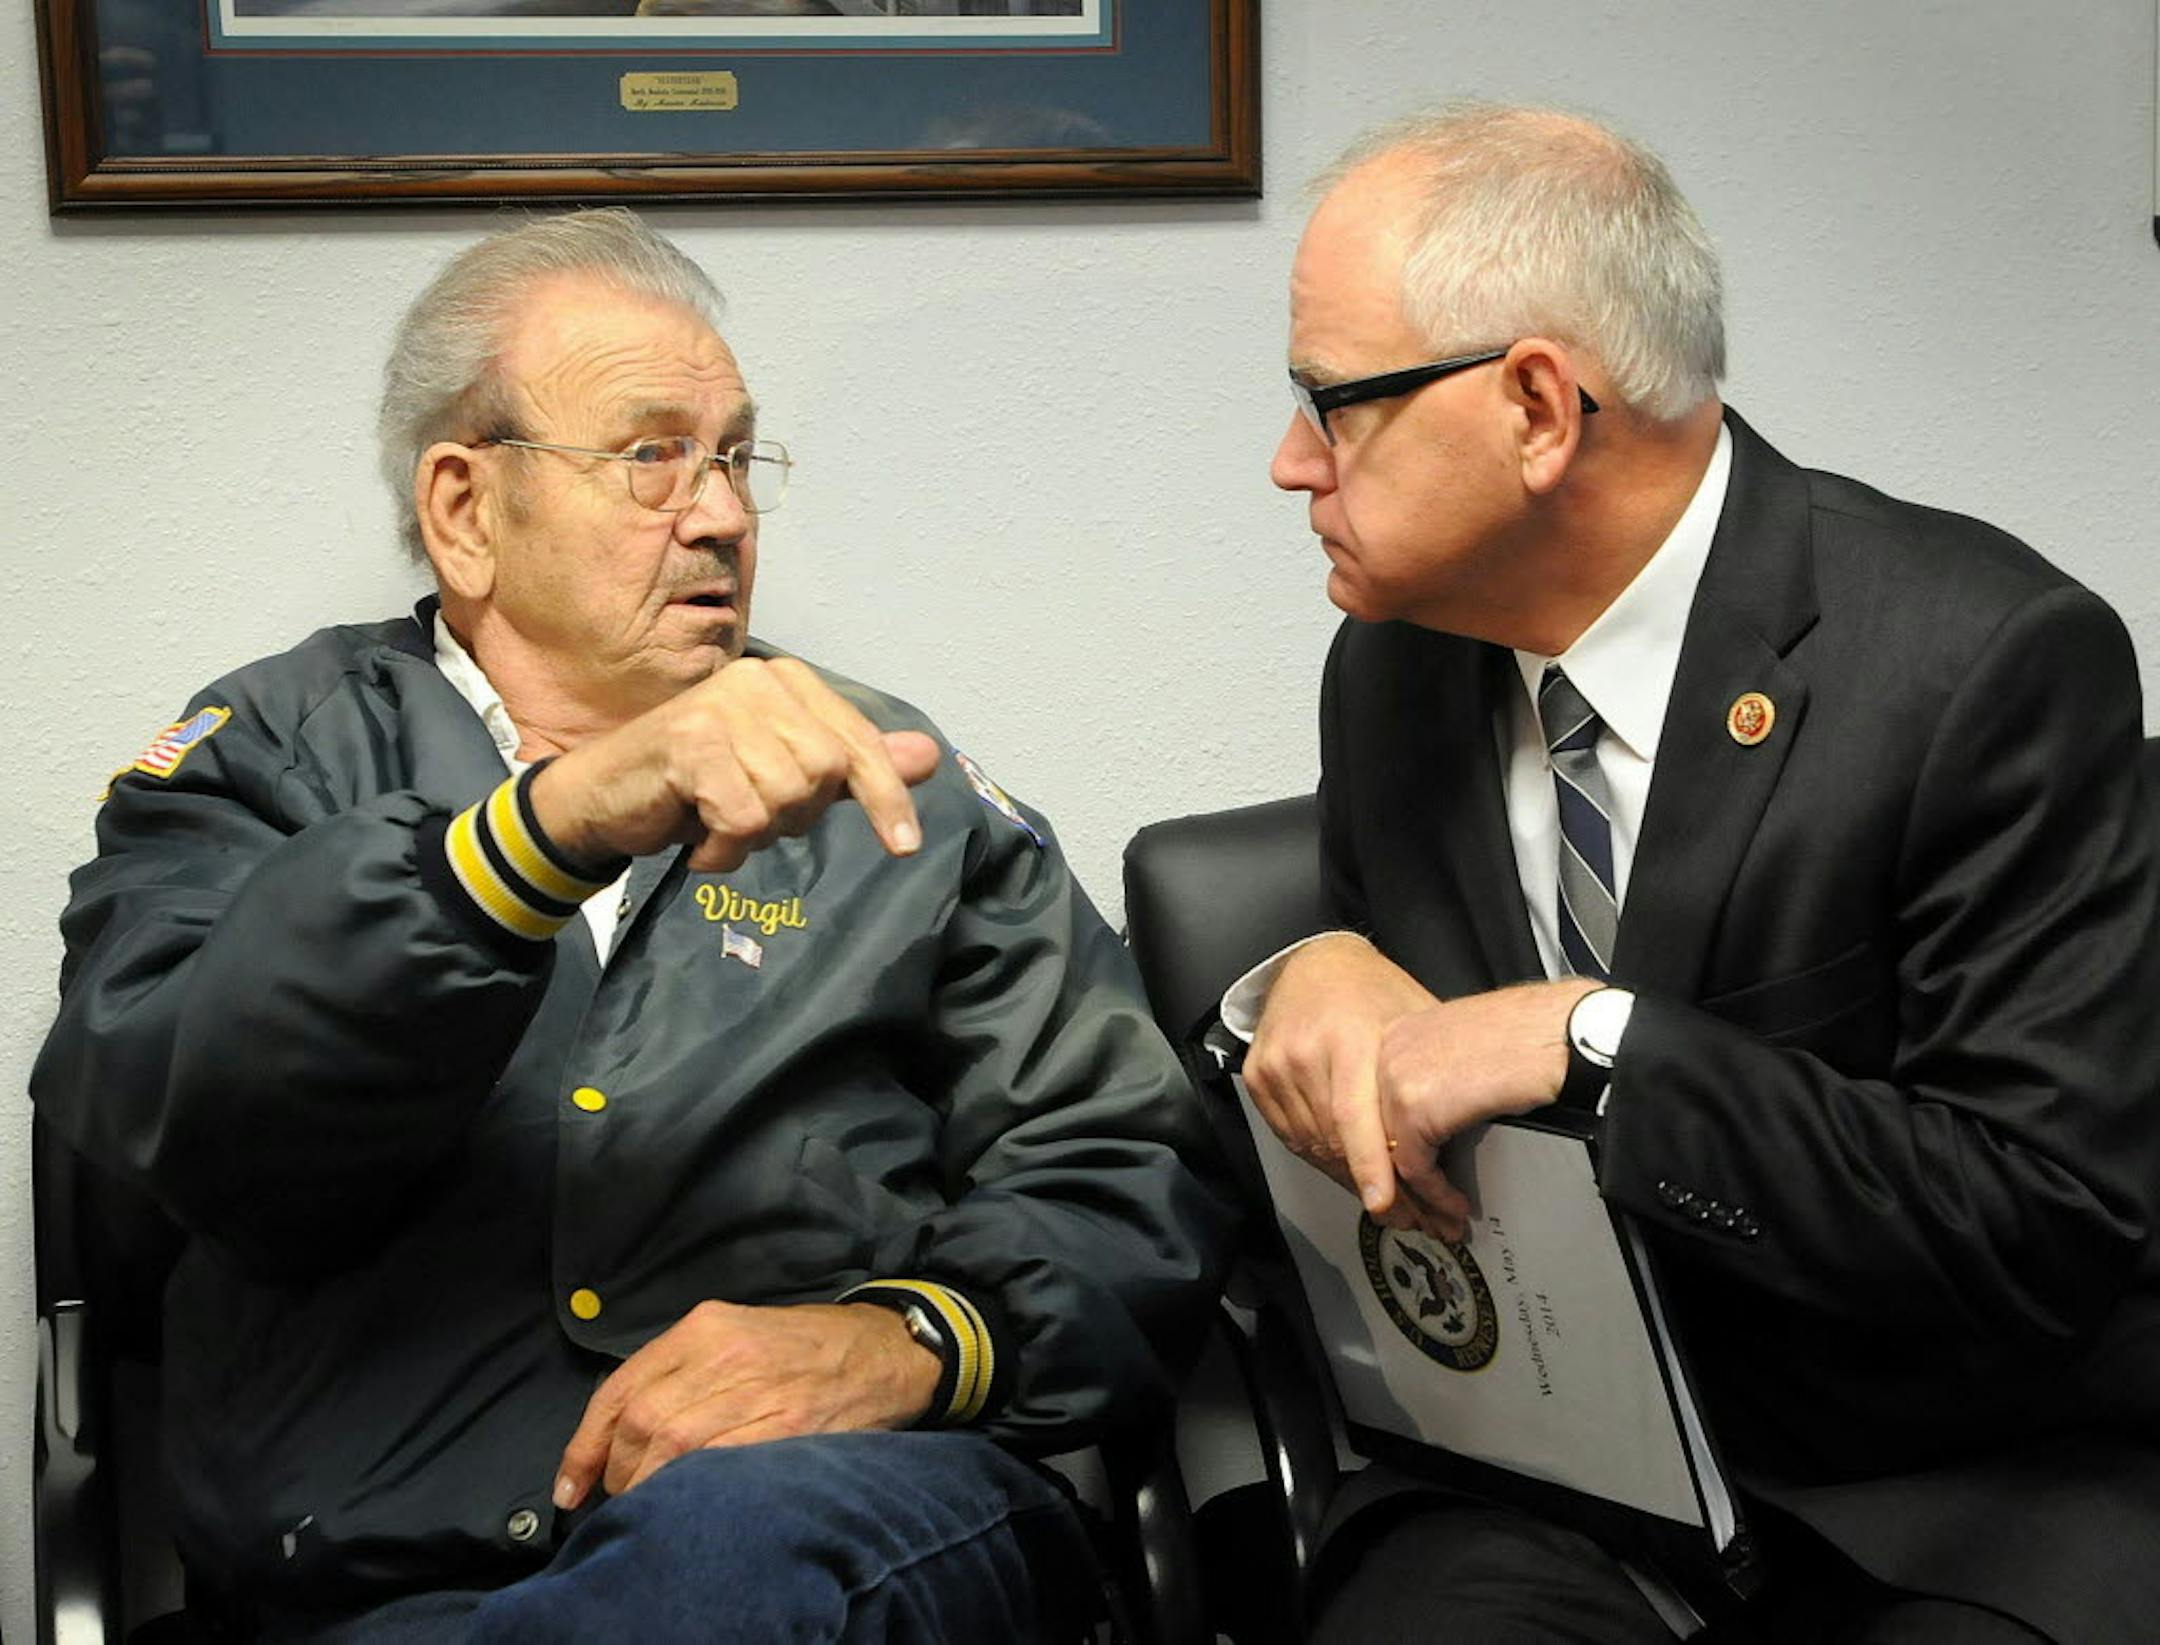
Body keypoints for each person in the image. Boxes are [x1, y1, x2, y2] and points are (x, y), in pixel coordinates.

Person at [33, 208, 1233, 1643]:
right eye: (655, 454)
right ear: (467, 508)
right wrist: (533, 838)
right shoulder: (265, 756)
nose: (721, 511)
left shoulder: (894, 786)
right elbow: (175, 1104)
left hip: (828, 1527)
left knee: (735, 1552)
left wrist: (909, 1338)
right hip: (370, 1585)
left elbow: (1130, 1173)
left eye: (734, 456)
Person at [1240, 102, 2160, 1643]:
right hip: (1550, 1484)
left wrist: (1598, 1041)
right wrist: (1313, 964)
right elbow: (1398, 1077)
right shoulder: (1390, 669)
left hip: (1927, 1483)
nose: (1288, 463)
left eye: (1332, 403)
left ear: (1539, 406)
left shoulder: (1981, 664)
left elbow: (2046, 1213)